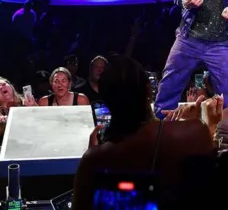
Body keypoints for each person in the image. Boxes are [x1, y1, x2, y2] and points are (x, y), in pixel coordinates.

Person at [72, 56, 214, 210]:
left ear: (105, 97)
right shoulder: (194, 131)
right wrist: (204, 124)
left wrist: (94, 153)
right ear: (148, 90)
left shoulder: (95, 158)